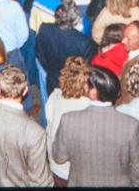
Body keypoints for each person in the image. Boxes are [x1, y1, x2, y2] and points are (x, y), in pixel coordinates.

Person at [51, 65, 139, 187]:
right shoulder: (131, 125)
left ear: (93, 92)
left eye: (87, 83)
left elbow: (59, 157)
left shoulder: (68, 120)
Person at [44, 56, 91, 186]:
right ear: (85, 82)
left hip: (56, 167)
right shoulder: (89, 105)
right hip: (77, 171)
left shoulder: (54, 96)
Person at [35, 1, 96, 97]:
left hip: (51, 77)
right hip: (74, 85)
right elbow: (87, 68)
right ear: (75, 20)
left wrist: (51, 70)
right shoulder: (84, 42)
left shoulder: (44, 28)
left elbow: (39, 54)